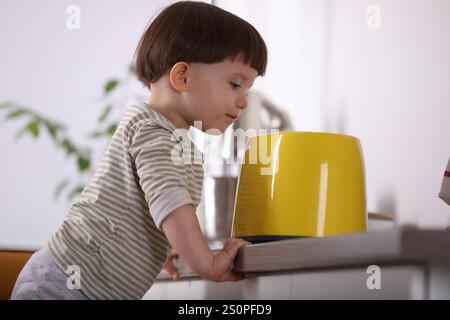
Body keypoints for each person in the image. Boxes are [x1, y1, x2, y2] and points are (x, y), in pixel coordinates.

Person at [11, 1, 267, 300]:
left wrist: (169, 244)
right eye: (235, 84)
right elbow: (171, 203)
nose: (244, 101)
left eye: (246, 89)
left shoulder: (171, 138)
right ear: (182, 77)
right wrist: (206, 262)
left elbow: (147, 209)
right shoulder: (153, 131)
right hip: (63, 284)